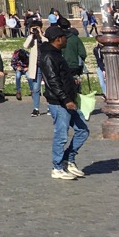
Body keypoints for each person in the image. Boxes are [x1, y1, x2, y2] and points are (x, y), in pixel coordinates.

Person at [38, 25, 89, 179]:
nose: (67, 39)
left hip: (68, 99)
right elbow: (53, 81)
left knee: (83, 131)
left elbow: (61, 77)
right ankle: (57, 167)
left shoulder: (56, 54)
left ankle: (68, 159)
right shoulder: (48, 56)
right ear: (58, 39)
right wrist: (66, 99)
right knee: (61, 136)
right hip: (60, 102)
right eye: (65, 37)